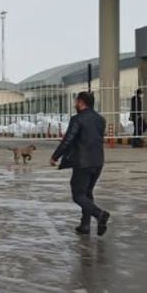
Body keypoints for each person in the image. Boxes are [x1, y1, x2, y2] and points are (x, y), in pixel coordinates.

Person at [51, 91, 111, 236]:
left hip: (83, 162)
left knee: (78, 195)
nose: (75, 104)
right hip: (98, 161)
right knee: (87, 193)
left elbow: (68, 139)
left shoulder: (77, 119)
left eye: (76, 101)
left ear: (81, 102)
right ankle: (85, 225)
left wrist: (55, 156)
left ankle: (99, 214)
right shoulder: (100, 119)